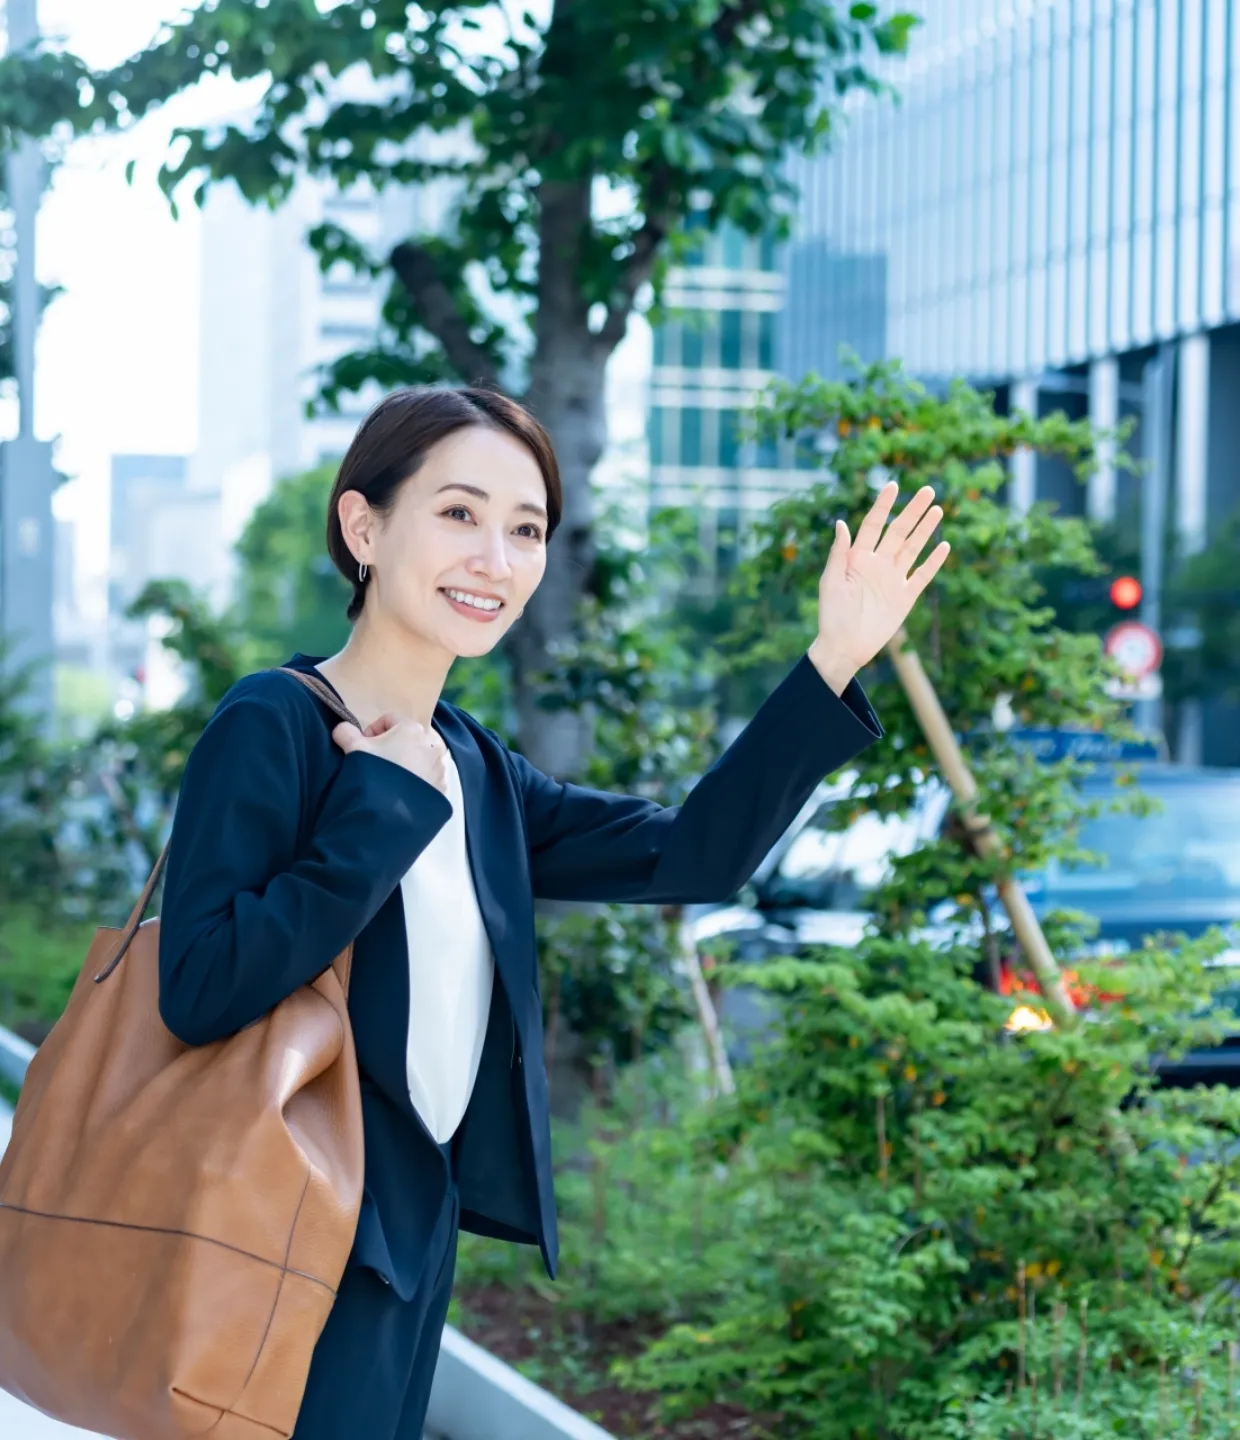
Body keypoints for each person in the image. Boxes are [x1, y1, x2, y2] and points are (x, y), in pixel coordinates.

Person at [157, 384, 950, 1439]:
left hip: (408, 1232)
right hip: (286, 1227)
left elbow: (691, 854)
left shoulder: (476, 768)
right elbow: (200, 987)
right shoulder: (275, 726)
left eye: (524, 529)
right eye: (457, 513)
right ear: (364, 527)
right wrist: (377, 810)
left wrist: (833, 659)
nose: (495, 557)